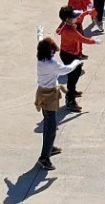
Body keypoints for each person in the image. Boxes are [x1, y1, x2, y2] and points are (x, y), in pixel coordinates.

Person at [35, 36, 81, 171]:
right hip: (49, 97)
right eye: (52, 50)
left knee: (48, 123)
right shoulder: (51, 64)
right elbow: (67, 69)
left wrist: (40, 32)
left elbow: (40, 41)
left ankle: (49, 148)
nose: (54, 52)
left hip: (42, 94)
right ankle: (44, 158)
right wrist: (76, 62)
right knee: (51, 128)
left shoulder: (41, 59)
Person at [55, 6, 98, 111]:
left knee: (77, 71)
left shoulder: (65, 24)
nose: (76, 18)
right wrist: (94, 41)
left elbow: (79, 17)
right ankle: (70, 100)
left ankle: (72, 91)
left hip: (72, 53)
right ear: (68, 19)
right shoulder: (70, 30)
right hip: (69, 55)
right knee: (72, 77)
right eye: (74, 16)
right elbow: (82, 39)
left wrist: (86, 12)